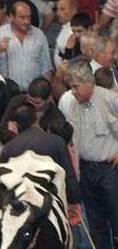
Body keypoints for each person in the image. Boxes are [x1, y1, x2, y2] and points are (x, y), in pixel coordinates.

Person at [0, 102, 81, 214]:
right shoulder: (57, 142)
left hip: (22, 206)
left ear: (16, 125)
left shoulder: (10, 148)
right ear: (36, 119)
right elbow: (69, 175)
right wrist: (73, 200)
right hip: (50, 203)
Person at [58, 58, 118, 249]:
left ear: (88, 82)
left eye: (75, 87)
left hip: (110, 169)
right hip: (85, 169)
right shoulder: (74, 105)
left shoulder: (111, 99)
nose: (72, 92)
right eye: (71, 87)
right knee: (95, 220)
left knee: (117, 216)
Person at [0, 2, 53, 91]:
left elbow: (47, 69)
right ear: (11, 17)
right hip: (7, 93)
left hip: (34, 95)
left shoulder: (39, 35)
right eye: (22, 17)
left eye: (29, 17)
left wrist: (48, 93)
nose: (27, 21)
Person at [54, 0, 78, 67]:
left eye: (62, 9)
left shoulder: (73, 31)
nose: (58, 13)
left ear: (74, 10)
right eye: (57, 10)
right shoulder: (66, 27)